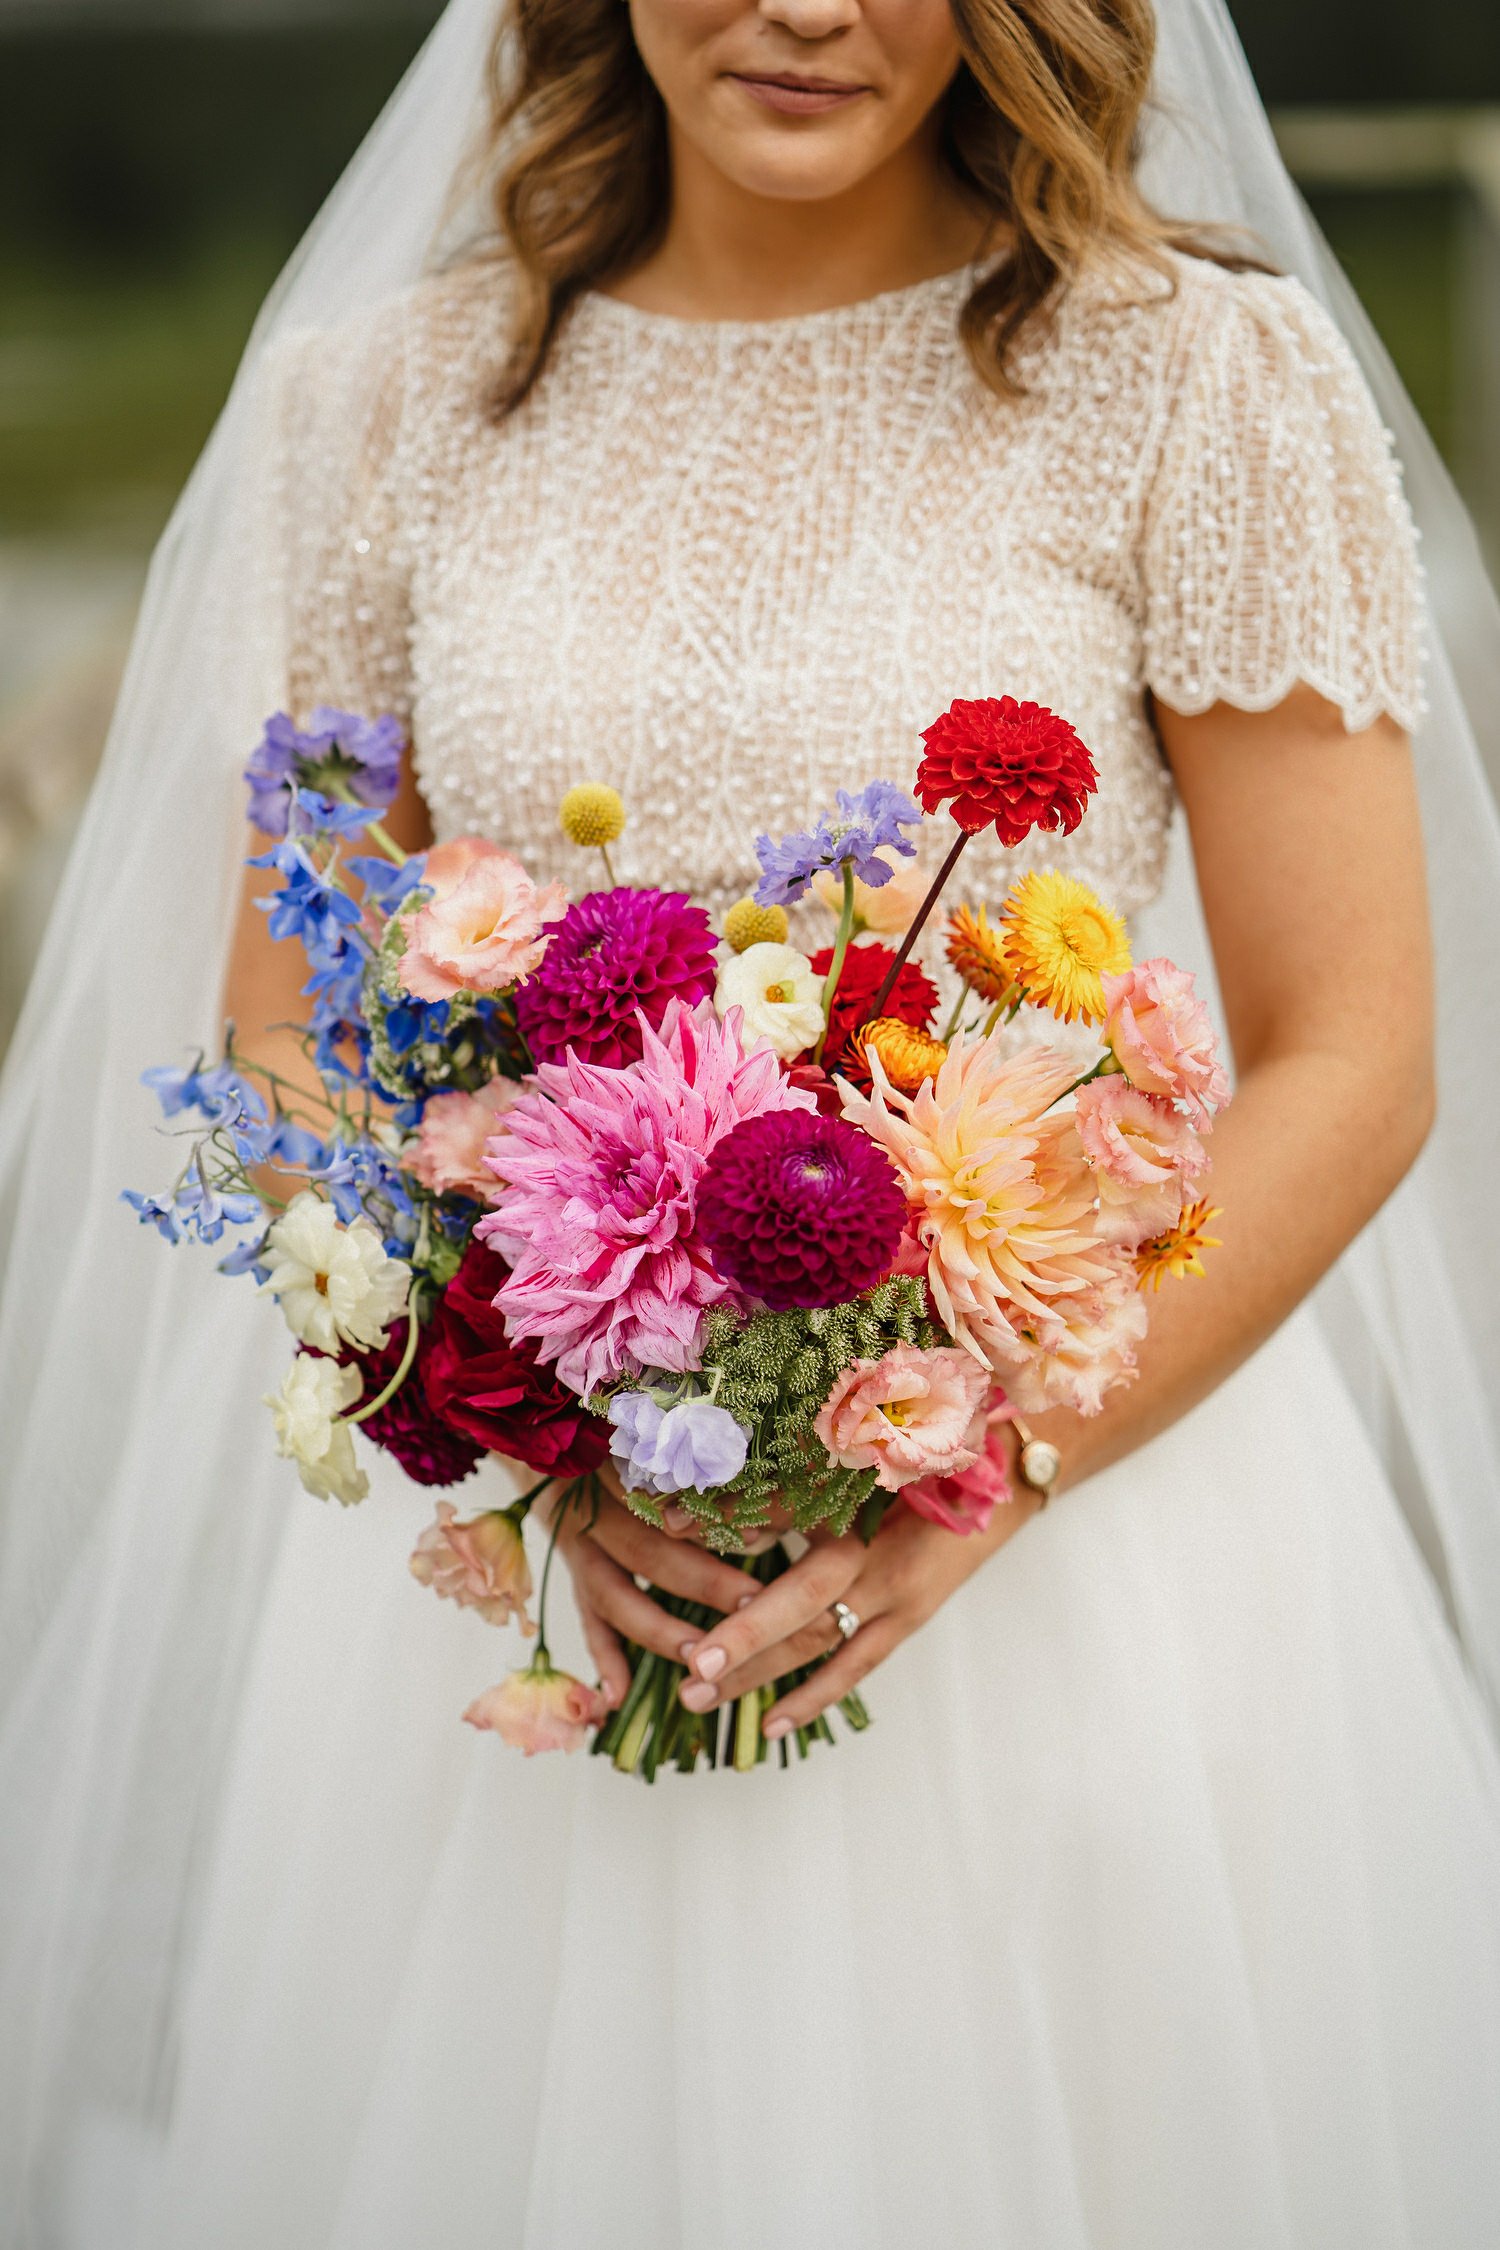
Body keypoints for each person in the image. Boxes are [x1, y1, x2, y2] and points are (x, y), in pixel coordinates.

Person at [3, 2, 1499, 2245]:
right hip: (517, 1617)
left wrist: (985, 1467)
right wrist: (538, 1424)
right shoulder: (385, 400)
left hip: (1075, 1574)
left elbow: (1353, 1048)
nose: (804, 7)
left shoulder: (1197, 379)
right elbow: (288, 1032)